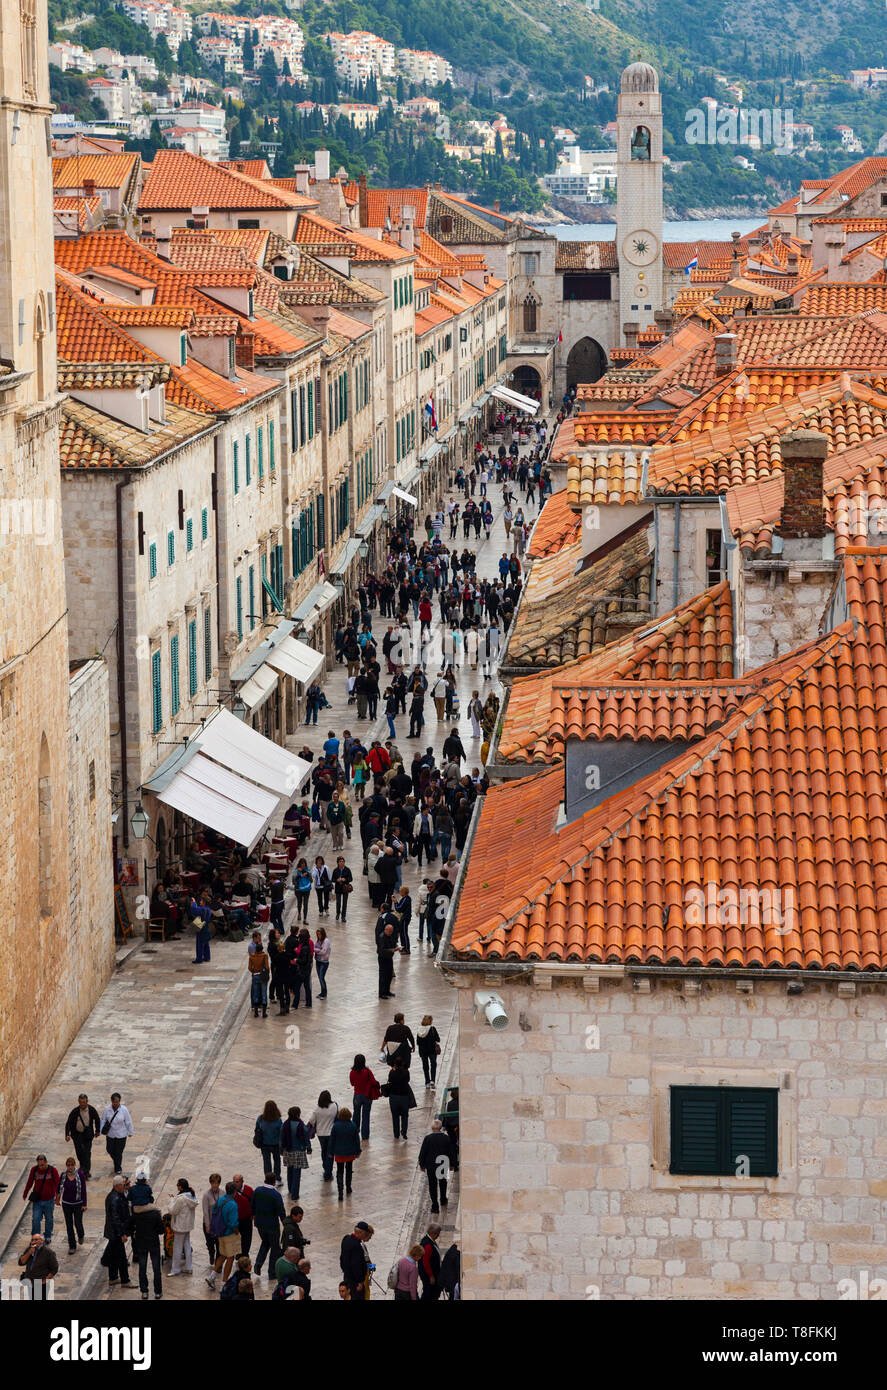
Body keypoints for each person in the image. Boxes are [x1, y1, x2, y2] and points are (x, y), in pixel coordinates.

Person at [129, 1188, 164, 1300]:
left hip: (141, 1243)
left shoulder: (136, 1214)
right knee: (156, 1268)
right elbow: (161, 1230)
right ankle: (158, 1292)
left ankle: (144, 1291)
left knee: (142, 1268)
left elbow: (129, 1226)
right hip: (153, 1243)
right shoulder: (155, 1214)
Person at [206, 1182, 241, 1290]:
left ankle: (211, 1277)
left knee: (223, 1255)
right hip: (229, 1234)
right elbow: (233, 1223)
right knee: (230, 1257)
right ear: (235, 1192)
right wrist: (236, 1232)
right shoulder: (233, 1204)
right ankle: (224, 1283)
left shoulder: (221, 1199)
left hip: (220, 1233)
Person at [251, 1173, 286, 1277]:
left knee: (265, 1242)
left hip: (260, 1224)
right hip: (272, 1226)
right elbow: (281, 1211)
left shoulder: (257, 1190)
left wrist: (255, 1216)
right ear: (274, 1181)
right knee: (275, 1248)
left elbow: (252, 1205)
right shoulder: (276, 1195)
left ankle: (258, 1263)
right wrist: (285, 1224)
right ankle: (272, 1272)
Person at [418, 1119, 455, 1214]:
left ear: (432, 1128)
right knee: (443, 1183)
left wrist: (422, 1164)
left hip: (431, 1165)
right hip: (443, 1163)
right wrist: (452, 1164)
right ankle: (443, 1199)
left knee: (432, 1185)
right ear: (440, 1127)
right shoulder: (446, 1138)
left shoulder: (428, 1138)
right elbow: (451, 1151)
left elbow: (423, 1152)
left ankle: (435, 1206)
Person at [103, 1175, 131, 1288]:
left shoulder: (113, 1196)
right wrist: (122, 1234)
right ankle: (125, 1280)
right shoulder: (115, 1198)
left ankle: (113, 1277)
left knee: (114, 1255)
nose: (124, 1187)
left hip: (112, 1232)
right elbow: (116, 1218)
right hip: (116, 1233)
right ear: (118, 1186)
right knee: (122, 1258)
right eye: (123, 1185)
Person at [23, 1154, 60, 1242]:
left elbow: (58, 1184)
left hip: (49, 1200)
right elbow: (30, 1182)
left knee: (49, 1219)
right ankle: (36, 1236)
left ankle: (48, 1236)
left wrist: (57, 1197)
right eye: (39, 1165)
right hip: (38, 1201)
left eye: (42, 1165)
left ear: (46, 1162)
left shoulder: (52, 1170)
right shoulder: (34, 1170)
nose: (41, 1167)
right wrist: (25, 1193)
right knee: (35, 1219)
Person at [329, 1106, 362, 1201]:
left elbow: (332, 1140)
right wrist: (358, 1151)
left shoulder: (336, 1126)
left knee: (339, 1171)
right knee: (349, 1170)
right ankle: (348, 1187)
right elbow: (356, 1140)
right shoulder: (353, 1125)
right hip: (350, 1152)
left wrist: (331, 1152)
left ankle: (340, 1192)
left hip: (339, 1153)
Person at [56, 1156, 87, 1254]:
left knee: (77, 1223)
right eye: (68, 1165)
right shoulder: (63, 1175)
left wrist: (84, 1204)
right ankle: (72, 1245)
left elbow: (83, 1190)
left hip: (78, 1203)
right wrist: (57, 1199)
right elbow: (59, 1188)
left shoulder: (80, 1175)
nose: (70, 1167)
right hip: (67, 1203)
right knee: (69, 1225)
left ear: (74, 1165)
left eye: (72, 1165)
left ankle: (81, 1235)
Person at [65, 1093, 100, 1179]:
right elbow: (68, 1122)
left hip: (87, 1135)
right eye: (81, 1102)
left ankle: (86, 1171)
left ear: (87, 1101)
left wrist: (97, 1131)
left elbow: (97, 1119)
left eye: (84, 1102)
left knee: (87, 1153)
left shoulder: (91, 1110)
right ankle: (82, 1167)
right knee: (79, 1152)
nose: (82, 1104)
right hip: (77, 1135)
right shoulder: (75, 1111)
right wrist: (67, 1134)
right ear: (78, 1102)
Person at [169, 1178, 198, 1276]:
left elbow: (172, 1211)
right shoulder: (192, 1196)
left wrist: (172, 1200)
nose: (177, 1186)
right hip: (188, 1225)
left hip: (180, 1226)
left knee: (177, 1247)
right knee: (187, 1245)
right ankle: (188, 1267)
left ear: (181, 1187)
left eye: (178, 1185)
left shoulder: (181, 1199)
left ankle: (175, 1269)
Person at [100, 1092, 134, 1176]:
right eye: (114, 1102)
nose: (116, 1103)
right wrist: (100, 1130)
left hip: (121, 1134)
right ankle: (116, 1161)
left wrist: (130, 1131)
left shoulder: (124, 1110)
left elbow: (128, 1121)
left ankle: (118, 1167)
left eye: (117, 1102)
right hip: (111, 1134)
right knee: (109, 1149)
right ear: (111, 1101)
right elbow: (103, 1120)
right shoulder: (107, 1109)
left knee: (118, 1152)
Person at [281, 1107, 310, 1201]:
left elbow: (281, 1138)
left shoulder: (285, 1124)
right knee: (297, 1173)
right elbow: (306, 1137)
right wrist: (309, 1148)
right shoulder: (301, 1125)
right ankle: (295, 1194)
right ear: (298, 1114)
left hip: (288, 1151)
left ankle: (290, 1189)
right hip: (298, 1151)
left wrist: (281, 1149)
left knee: (289, 1170)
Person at [309, 1091, 338, 1181]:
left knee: (324, 1151)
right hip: (331, 1133)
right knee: (330, 1153)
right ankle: (328, 1174)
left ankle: (326, 1168)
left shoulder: (317, 1109)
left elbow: (311, 1121)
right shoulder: (334, 1106)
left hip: (320, 1134)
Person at [18, 1234, 58, 1298]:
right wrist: (29, 1253)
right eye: (32, 1240)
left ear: (41, 1241)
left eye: (36, 1240)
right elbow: (21, 1262)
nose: (34, 1242)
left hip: (40, 1282)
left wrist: (45, 1280)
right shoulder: (29, 1249)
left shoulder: (48, 1252)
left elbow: (55, 1268)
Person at [349, 1053, 379, 1140]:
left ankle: (354, 1132)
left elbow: (352, 1083)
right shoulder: (367, 1071)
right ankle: (365, 1135)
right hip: (367, 1095)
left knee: (356, 1115)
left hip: (357, 1095)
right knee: (366, 1116)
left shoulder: (352, 1072)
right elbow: (373, 1082)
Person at [340, 1221, 371, 1299]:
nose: (366, 1235)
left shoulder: (346, 1239)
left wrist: (345, 1271)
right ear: (361, 1232)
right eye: (365, 1233)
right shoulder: (357, 1246)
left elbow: (342, 1259)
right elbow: (356, 1265)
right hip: (355, 1282)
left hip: (347, 1277)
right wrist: (359, 1282)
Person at [254, 1101, 283, 1185]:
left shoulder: (261, 1118)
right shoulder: (278, 1120)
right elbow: (281, 1133)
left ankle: (268, 1179)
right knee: (277, 1161)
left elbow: (257, 1129)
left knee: (267, 1162)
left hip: (264, 1144)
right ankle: (277, 1178)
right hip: (275, 1144)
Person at [386, 1056, 413, 1140]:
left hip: (394, 1096)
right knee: (405, 1115)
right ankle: (404, 1131)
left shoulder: (392, 1073)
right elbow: (408, 1080)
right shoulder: (406, 1072)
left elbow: (389, 1080)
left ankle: (396, 1134)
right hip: (404, 1096)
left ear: (395, 1064)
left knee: (395, 1116)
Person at [201, 1173, 222, 1270]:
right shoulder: (206, 1195)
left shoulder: (223, 1193)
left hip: (219, 1223)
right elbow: (205, 1211)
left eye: (216, 1183)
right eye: (212, 1183)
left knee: (219, 1244)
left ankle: (218, 1264)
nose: (214, 1185)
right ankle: (211, 1253)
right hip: (209, 1222)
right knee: (210, 1243)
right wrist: (207, 1225)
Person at [231, 1174, 254, 1258]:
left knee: (247, 1238)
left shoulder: (249, 1190)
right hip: (236, 1220)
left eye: (237, 1182)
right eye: (234, 1182)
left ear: (242, 1181)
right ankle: (239, 1253)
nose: (235, 1184)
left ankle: (245, 1254)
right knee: (237, 1238)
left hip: (247, 1219)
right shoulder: (232, 1191)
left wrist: (253, 1214)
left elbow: (254, 1203)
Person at [377, 919, 400, 999]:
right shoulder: (382, 937)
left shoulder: (389, 936)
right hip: (383, 958)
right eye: (389, 931)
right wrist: (392, 950)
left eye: (391, 931)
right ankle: (381, 993)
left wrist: (396, 946)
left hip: (389, 957)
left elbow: (393, 943)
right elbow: (381, 950)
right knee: (383, 976)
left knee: (389, 975)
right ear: (386, 930)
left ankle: (387, 991)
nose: (391, 933)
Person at [419, 1223, 443, 1301]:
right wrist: (431, 1276)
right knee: (429, 1293)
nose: (438, 1235)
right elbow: (425, 1262)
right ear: (433, 1233)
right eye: (437, 1233)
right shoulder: (428, 1245)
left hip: (431, 1273)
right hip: (429, 1275)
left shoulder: (428, 1240)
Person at [416, 1015, 441, 1088]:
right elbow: (438, 1039)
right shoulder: (432, 1028)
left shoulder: (419, 1030)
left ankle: (427, 1082)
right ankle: (432, 1080)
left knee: (425, 1066)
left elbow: (417, 1042)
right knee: (433, 1065)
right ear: (430, 1021)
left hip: (423, 1051)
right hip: (432, 1050)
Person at [248, 936, 270, 1019]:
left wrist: (254, 971)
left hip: (255, 976)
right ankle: (264, 1013)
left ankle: (256, 1012)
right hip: (263, 976)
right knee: (264, 993)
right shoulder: (265, 956)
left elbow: (249, 967)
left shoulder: (252, 957)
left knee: (256, 993)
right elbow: (267, 967)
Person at [190, 891, 213, 964]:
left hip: (201, 928)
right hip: (206, 927)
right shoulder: (207, 909)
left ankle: (199, 958)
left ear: (204, 902)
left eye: (201, 901)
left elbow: (194, 910)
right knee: (206, 943)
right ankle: (207, 957)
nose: (200, 902)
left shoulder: (202, 909)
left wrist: (193, 902)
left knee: (200, 944)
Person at [331, 856, 353, 922]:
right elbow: (332, 879)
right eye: (340, 861)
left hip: (345, 888)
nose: (342, 863)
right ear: (338, 863)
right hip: (338, 888)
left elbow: (351, 879)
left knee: (344, 903)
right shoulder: (335, 870)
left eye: (343, 861)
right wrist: (337, 880)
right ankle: (338, 913)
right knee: (338, 902)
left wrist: (345, 879)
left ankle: (343, 916)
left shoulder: (347, 869)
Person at [292, 857, 312, 923]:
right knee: (299, 902)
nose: (303, 865)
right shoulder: (296, 871)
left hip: (306, 890)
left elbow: (311, 880)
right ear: (299, 864)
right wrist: (300, 876)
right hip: (298, 890)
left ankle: (305, 918)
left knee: (305, 904)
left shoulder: (307, 870)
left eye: (304, 864)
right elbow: (293, 881)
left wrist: (307, 874)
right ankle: (299, 913)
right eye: (302, 864)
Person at [314, 926, 331, 997]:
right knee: (320, 977)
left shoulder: (326, 941)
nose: (319, 936)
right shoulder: (318, 941)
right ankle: (322, 992)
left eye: (320, 934)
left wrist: (317, 950)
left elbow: (323, 952)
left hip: (324, 962)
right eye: (317, 934)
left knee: (321, 977)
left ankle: (324, 993)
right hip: (318, 961)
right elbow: (314, 948)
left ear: (323, 934)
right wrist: (318, 950)